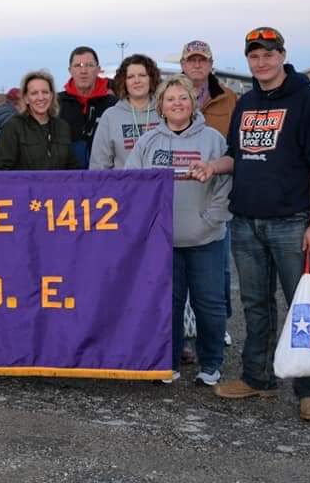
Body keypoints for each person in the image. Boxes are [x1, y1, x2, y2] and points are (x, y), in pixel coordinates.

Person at [191, 27, 310, 422]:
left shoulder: (309, 100)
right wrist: (212, 167)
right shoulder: (247, 103)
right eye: (254, 56)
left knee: (301, 308)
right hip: (246, 222)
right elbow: (235, 156)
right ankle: (257, 378)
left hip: (293, 222)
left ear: (282, 54)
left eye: (268, 54)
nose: (261, 62)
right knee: (256, 305)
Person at [126, 75, 231, 386]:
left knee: (209, 303)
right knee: (167, 303)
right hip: (163, 241)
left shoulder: (212, 139)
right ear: (161, 105)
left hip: (205, 239)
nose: (177, 104)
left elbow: (225, 186)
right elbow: (132, 186)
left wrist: (210, 220)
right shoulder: (148, 142)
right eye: (170, 99)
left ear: (193, 102)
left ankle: (210, 363)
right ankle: (167, 361)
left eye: (183, 97)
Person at [179, 40, 238, 359]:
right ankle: (184, 332)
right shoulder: (172, 95)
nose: (197, 66)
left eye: (203, 60)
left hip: (215, 191)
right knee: (180, 276)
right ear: (183, 64)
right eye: (192, 61)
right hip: (182, 195)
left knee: (218, 270)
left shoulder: (228, 99)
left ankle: (217, 326)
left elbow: (235, 148)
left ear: (211, 64)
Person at [89, 54, 162, 170]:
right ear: (124, 82)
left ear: (151, 79)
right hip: (124, 186)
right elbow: (99, 164)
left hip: (160, 186)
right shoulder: (110, 116)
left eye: (142, 75)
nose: (137, 80)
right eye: (130, 77)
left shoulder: (165, 112)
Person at [0, 71, 79, 170]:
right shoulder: (13, 128)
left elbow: (72, 168)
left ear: (52, 96)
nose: (40, 97)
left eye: (45, 92)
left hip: (57, 185)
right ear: (26, 98)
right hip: (25, 185)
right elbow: (3, 170)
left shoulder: (62, 127)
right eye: (34, 93)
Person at [59, 46, 117, 168]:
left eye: (89, 65)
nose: (83, 71)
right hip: (67, 180)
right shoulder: (56, 104)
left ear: (98, 69)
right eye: (77, 66)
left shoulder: (114, 105)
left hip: (105, 177)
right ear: (70, 70)